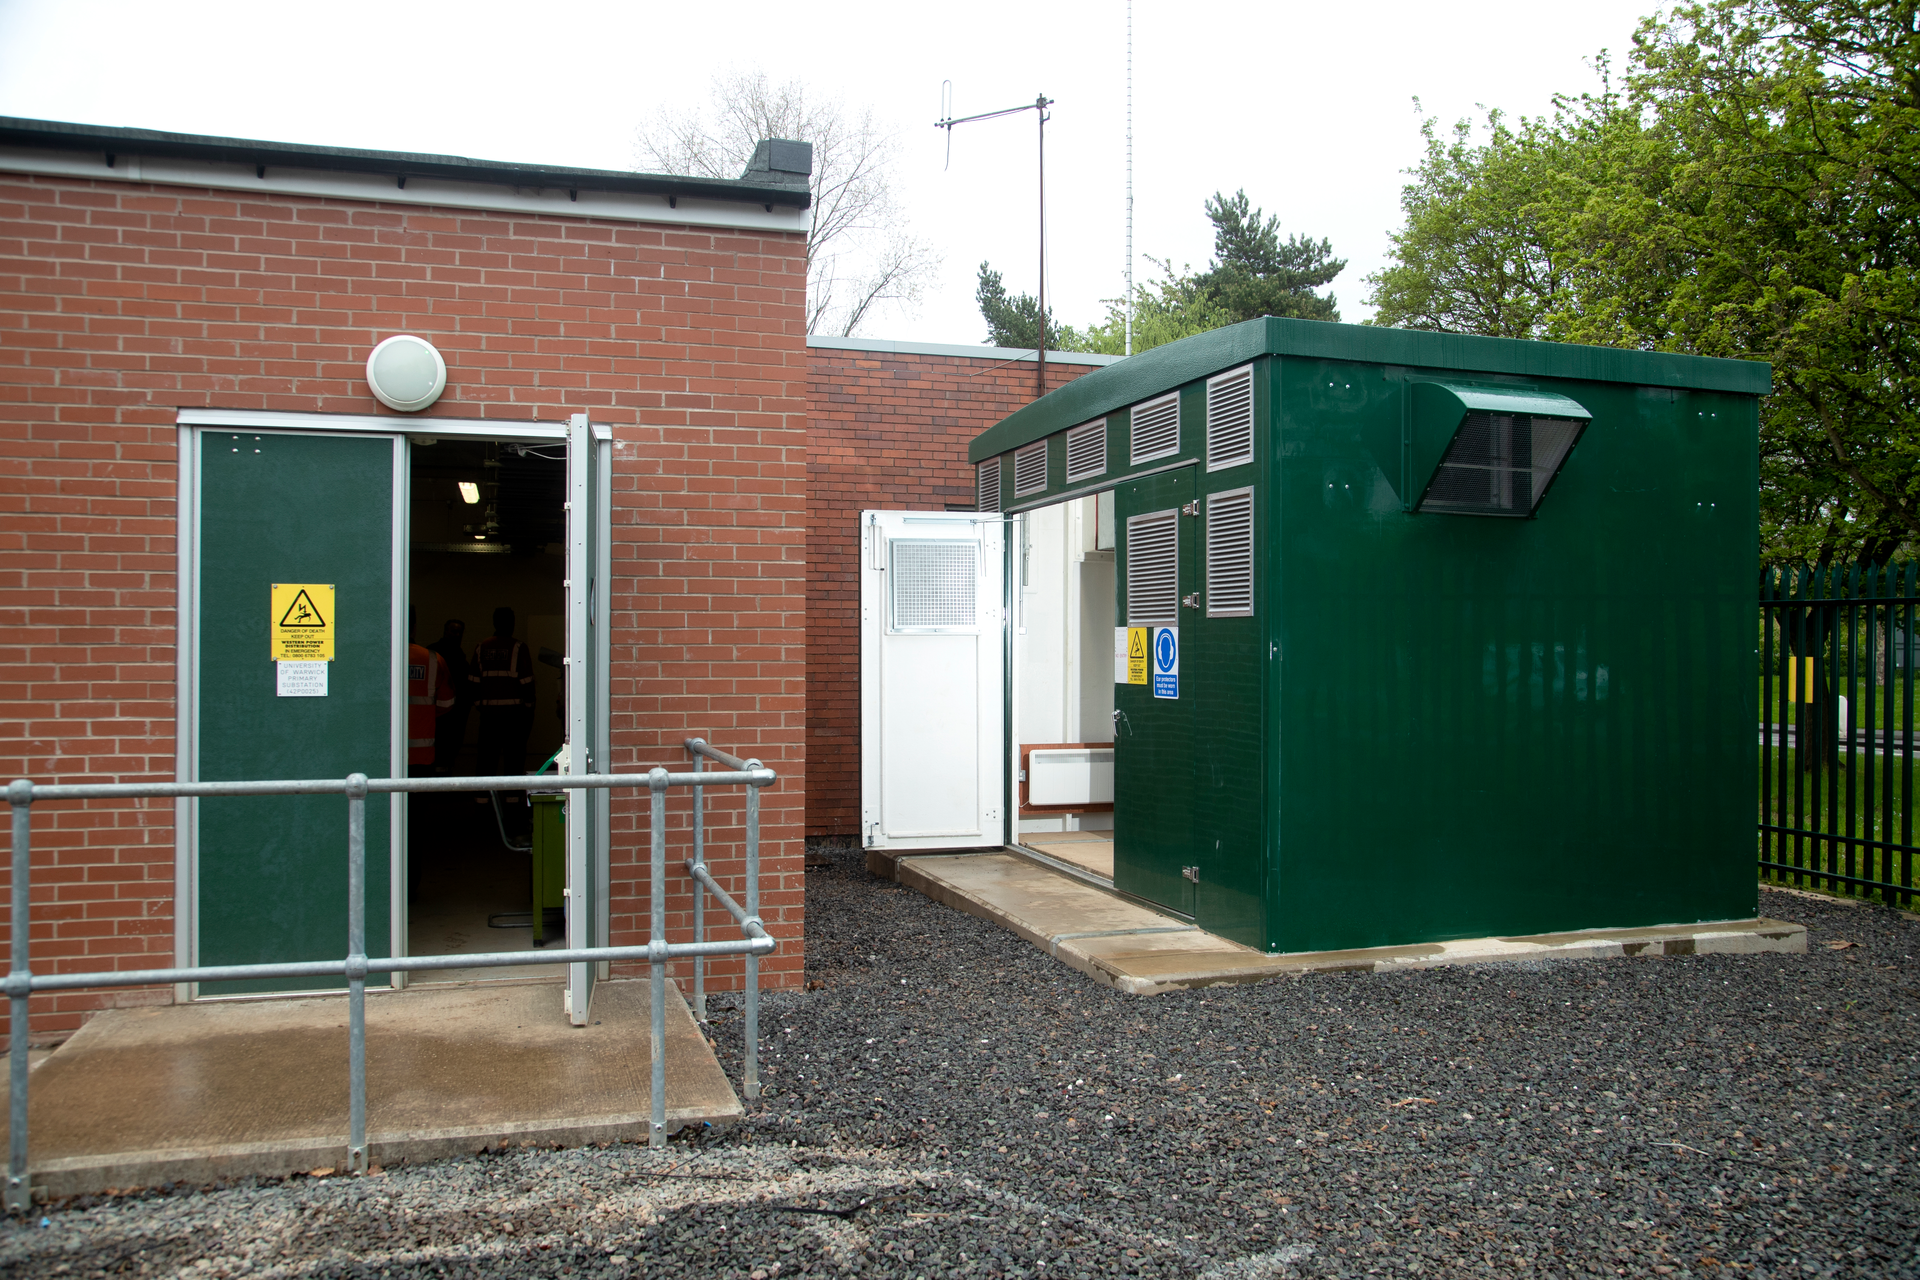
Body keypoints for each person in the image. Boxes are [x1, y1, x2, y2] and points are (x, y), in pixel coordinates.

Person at [471, 606, 534, 789]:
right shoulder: (518, 648)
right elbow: (527, 684)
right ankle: (512, 808)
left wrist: (480, 705)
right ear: (511, 624)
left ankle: (482, 805)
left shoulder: (481, 647)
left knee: (485, 761)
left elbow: (472, 683)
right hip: (514, 717)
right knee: (513, 762)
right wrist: (529, 707)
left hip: (488, 717)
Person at [406, 609, 455, 772]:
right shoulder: (433, 659)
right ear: (414, 628)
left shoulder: (380, 658)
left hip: (387, 753)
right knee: (420, 794)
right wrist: (425, 714)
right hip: (423, 752)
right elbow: (447, 702)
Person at [427, 618, 471, 774]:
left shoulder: (459, 654)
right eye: (453, 631)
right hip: (438, 712)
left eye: (460, 632)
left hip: (456, 710)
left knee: (452, 745)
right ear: (445, 631)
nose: (457, 634)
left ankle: (445, 779)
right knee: (440, 746)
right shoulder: (433, 653)